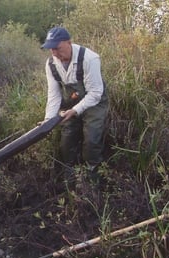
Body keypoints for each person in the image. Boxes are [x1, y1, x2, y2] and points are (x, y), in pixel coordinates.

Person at [40, 27, 108, 183]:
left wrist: (75, 110)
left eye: (57, 48)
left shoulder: (89, 58)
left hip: (95, 103)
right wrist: (49, 119)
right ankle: (70, 178)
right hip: (72, 101)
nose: (55, 53)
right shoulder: (51, 64)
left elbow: (95, 93)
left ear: (69, 43)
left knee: (91, 140)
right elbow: (54, 94)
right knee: (67, 140)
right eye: (51, 49)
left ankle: (93, 180)